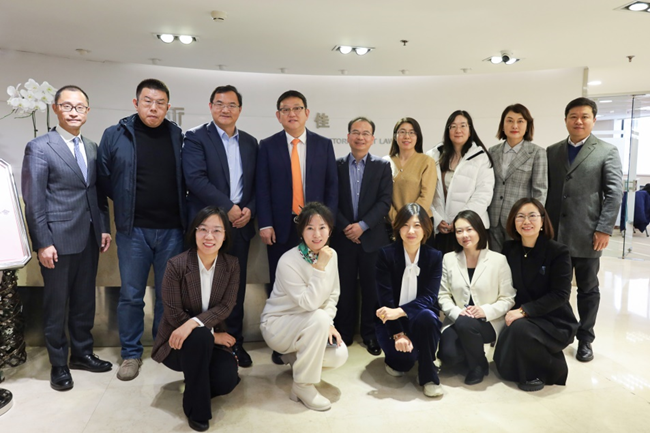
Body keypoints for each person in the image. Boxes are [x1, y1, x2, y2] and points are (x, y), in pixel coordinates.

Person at [22, 85, 112, 391]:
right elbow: (34, 200)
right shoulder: (40, 147)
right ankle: (58, 363)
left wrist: (103, 227)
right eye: (68, 106)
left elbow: (96, 192)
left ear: (88, 111)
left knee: (85, 301)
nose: (74, 112)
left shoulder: (92, 147)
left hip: (89, 237)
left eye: (80, 107)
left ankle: (82, 353)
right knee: (56, 304)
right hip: (57, 241)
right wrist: (43, 242)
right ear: (56, 108)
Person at [97, 78, 186, 381]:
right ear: (136, 103)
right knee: (131, 295)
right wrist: (125, 202)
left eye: (160, 103)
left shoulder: (176, 135)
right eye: (148, 101)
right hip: (133, 230)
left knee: (167, 295)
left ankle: (163, 346)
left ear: (168, 107)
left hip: (172, 230)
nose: (153, 108)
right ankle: (131, 353)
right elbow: (103, 177)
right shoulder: (116, 134)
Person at [182, 85, 258, 368]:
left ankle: (234, 342)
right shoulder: (195, 137)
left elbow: (257, 183)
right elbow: (195, 179)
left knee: (234, 288)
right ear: (211, 106)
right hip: (208, 227)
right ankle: (205, 341)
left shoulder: (250, 142)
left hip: (240, 225)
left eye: (232, 105)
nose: (225, 109)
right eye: (219, 104)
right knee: (203, 288)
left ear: (240, 109)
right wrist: (228, 207)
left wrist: (250, 209)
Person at [546, 97, 623, 362]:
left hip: (588, 234)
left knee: (588, 289)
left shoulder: (606, 151)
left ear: (593, 120)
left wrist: (604, 229)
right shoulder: (552, 151)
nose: (578, 121)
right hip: (555, 235)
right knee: (556, 289)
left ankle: (585, 338)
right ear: (566, 119)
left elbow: (614, 193)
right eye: (573, 116)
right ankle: (560, 332)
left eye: (584, 116)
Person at [152, 206, 240, 432]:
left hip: (208, 340)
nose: (209, 236)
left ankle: (194, 381)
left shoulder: (231, 265)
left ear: (225, 235)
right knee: (199, 337)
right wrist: (211, 335)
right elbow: (173, 312)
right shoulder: (176, 265)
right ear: (194, 232)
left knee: (227, 381)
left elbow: (226, 305)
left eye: (217, 231)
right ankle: (197, 410)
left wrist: (196, 325)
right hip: (176, 342)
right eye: (203, 229)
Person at [260, 202, 348, 411]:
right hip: (279, 325)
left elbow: (333, 295)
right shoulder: (288, 260)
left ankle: (294, 357)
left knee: (339, 354)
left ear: (330, 230)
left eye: (322, 227)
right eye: (310, 228)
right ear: (301, 232)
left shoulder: (331, 255)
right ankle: (302, 386)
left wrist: (329, 323)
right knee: (318, 318)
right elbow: (309, 303)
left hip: (311, 324)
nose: (317, 234)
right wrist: (319, 267)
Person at [494, 198, 579, 392]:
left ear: (542, 221)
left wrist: (524, 311)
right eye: (520, 217)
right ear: (513, 222)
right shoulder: (509, 249)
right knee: (507, 351)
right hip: (520, 316)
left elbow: (560, 294)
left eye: (532, 216)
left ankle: (546, 370)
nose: (526, 221)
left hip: (554, 319)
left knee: (520, 329)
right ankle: (518, 368)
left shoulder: (558, 252)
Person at [256, 90, 338, 289]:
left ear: (307, 113)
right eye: (285, 110)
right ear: (278, 116)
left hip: (315, 227)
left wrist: (327, 224)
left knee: (315, 279)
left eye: (297, 109)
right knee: (280, 280)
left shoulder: (323, 145)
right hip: (280, 227)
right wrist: (265, 224)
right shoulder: (267, 145)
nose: (291, 114)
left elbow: (332, 187)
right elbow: (262, 187)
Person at [331, 117, 392, 356]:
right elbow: (331, 200)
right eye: (356, 132)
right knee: (343, 289)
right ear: (348, 137)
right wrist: (347, 227)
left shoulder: (382, 166)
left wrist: (363, 226)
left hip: (373, 239)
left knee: (371, 290)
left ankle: (371, 334)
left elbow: (384, 201)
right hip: (342, 237)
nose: (360, 137)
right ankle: (343, 333)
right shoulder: (335, 165)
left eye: (366, 133)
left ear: (373, 139)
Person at [438, 210, 515, 385]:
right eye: (459, 231)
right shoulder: (449, 259)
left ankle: (478, 365)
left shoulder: (498, 260)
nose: (464, 235)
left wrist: (484, 311)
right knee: (448, 356)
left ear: (479, 230)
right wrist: (457, 312)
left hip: (488, 321)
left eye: (469, 229)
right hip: (458, 318)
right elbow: (443, 295)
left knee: (466, 325)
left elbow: (508, 298)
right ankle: (469, 351)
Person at [375, 203, 444, 398]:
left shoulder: (434, 256)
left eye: (417, 225)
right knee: (404, 363)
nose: (411, 231)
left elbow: (430, 296)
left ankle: (429, 376)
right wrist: (398, 334)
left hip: (419, 317)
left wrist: (401, 311)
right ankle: (402, 358)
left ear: (426, 228)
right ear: (397, 228)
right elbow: (385, 299)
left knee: (428, 317)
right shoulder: (386, 254)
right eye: (405, 225)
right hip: (390, 320)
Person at [427, 110, 494, 254]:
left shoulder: (481, 157)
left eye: (463, 125)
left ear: (470, 130)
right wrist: (437, 220)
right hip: (442, 230)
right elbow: (427, 193)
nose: (458, 130)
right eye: (453, 126)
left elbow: (483, 194)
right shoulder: (433, 155)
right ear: (448, 130)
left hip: (470, 229)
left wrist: (461, 220)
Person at [488, 104, 547, 252]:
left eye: (520, 121)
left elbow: (540, 190)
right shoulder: (492, 152)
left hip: (520, 220)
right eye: (509, 120)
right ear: (502, 125)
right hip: (493, 218)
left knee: (518, 261)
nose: (514, 125)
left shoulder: (537, 153)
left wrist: (533, 220)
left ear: (527, 126)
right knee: (495, 261)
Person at [385, 117, 436, 222]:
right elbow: (383, 197)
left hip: (420, 223)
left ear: (417, 137)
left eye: (412, 132)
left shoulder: (427, 162)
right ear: (395, 136)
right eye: (402, 132)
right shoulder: (385, 162)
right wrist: (397, 219)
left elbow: (426, 197)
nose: (406, 136)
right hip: (392, 223)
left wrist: (411, 220)